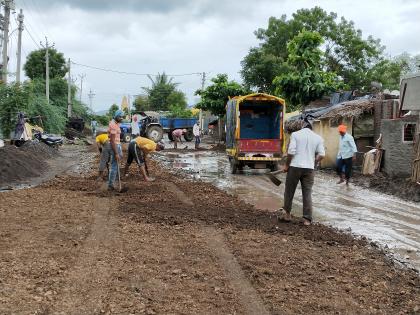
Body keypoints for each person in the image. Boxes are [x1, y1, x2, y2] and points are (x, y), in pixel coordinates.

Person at [280, 120, 325, 226]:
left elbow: (291, 152)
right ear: (311, 128)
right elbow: (322, 155)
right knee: (307, 193)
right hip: (309, 169)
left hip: (295, 167)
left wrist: (286, 165)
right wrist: (314, 162)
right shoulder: (318, 138)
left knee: (289, 191)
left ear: (302, 127)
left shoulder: (295, 135)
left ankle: (287, 215)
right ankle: (307, 219)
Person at [108, 110, 124, 191]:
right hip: (115, 146)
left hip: (118, 145)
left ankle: (116, 181)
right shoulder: (113, 124)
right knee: (114, 165)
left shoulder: (117, 123)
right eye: (120, 117)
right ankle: (110, 185)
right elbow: (112, 141)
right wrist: (116, 153)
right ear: (116, 116)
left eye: (122, 117)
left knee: (117, 163)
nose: (122, 118)